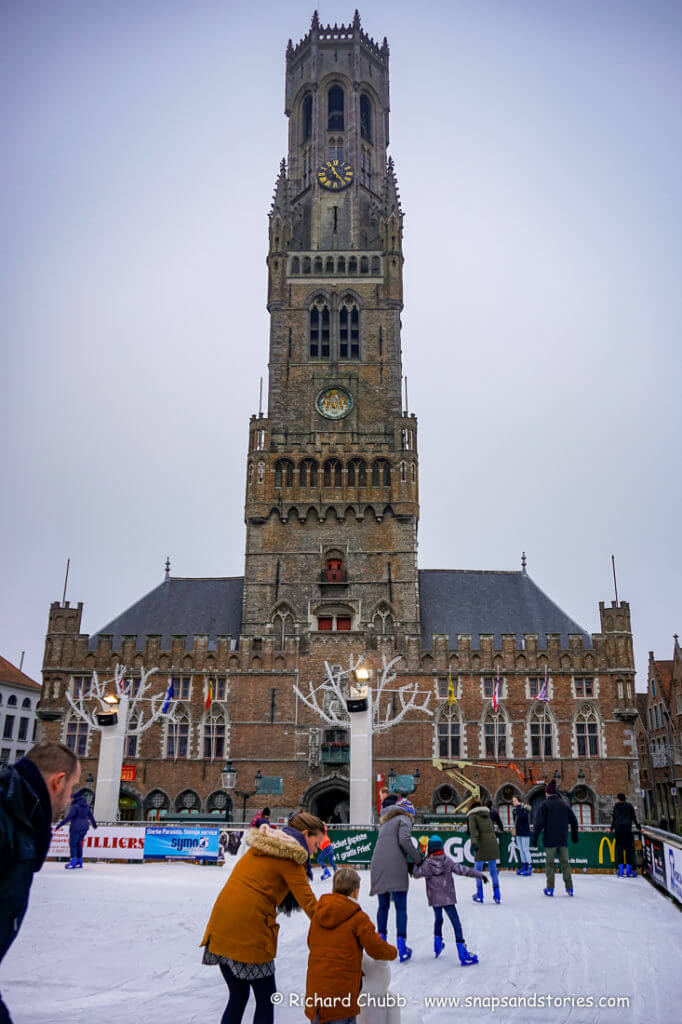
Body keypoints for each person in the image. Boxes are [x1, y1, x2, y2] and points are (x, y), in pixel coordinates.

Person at [201, 810, 324, 1024]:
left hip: (220, 926)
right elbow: (311, 907)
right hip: (249, 932)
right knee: (266, 998)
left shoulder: (261, 846)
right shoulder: (291, 858)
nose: (317, 849)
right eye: (316, 843)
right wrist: (343, 920)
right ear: (305, 834)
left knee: (238, 996)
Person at [0, 741, 80, 1024]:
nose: (71, 799)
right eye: (72, 789)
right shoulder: (10, 819)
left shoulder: (19, 815)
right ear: (58, 782)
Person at [305, 866, 396, 1023]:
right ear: (355, 891)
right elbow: (376, 950)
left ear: (334, 888)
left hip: (316, 997)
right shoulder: (358, 918)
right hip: (341, 1000)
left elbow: (311, 942)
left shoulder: (318, 914)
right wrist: (393, 952)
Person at [412, 835, 487, 964]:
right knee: (456, 923)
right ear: (441, 848)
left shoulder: (427, 864)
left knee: (438, 919)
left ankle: (437, 943)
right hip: (448, 898)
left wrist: (418, 857)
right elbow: (463, 870)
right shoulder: (447, 861)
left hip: (435, 898)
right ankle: (462, 952)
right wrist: (479, 875)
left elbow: (416, 873)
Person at [369, 797, 422, 963]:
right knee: (400, 908)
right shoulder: (404, 818)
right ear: (409, 812)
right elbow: (404, 840)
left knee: (383, 905)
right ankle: (402, 947)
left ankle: (381, 944)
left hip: (377, 864)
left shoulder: (385, 823)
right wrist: (418, 858)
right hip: (394, 865)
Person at [532, 779, 579, 897]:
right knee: (565, 864)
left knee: (550, 864)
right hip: (562, 839)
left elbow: (539, 823)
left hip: (550, 840)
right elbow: (574, 821)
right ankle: (570, 888)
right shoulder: (564, 804)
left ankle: (550, 888)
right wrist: (574, 835)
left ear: (547, 794)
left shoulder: (544, 805)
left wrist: (535, 838)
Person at [467, 799, 502, 904]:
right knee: (493, 871)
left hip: (481, 844)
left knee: (477, 870)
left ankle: (480, 894)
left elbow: (473, 831)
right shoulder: (487, 814)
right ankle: (497, 895)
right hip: (492, 842)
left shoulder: (472, 816)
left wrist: (474, 843)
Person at [54, 789, 97, 868]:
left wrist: (59, 825)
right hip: (84, 827)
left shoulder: (75, 806)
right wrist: (94, 825)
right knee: (79, 844)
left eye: (72, 798)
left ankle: (73, 862)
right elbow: (91, 816)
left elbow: (68, 817)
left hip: (76, 827)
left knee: (73, 844)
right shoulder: (86, 806)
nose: (71, 800)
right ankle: (79, 862)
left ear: (76, 798)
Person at [611, 793, 640, 877]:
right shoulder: (629, 806)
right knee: (628, 850)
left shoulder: (616, 806)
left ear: (618, 799)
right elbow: (634, 818)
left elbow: (614, 818)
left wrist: (611, 828)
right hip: (627, 830)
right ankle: (628, 870)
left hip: (618, 830)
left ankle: (620, 870)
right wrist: (639, 828)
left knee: (620, 850)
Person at [511, 795, 532, 876]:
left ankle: (529, 866)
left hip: (525, 831)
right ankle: (524, 865)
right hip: (518, 832)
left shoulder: (523, 808)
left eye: (515, 800)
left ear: (519, 801)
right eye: (513, 801)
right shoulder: (514, 810)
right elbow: (515, 820)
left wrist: (520, 807)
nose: (514, 802)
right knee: (521, 849)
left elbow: (523, 818)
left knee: (526, 849)